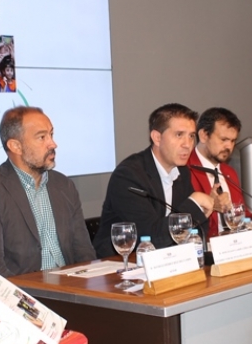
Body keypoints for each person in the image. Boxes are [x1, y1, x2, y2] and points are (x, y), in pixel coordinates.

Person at [0, 106, 96, 277]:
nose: (53, 144)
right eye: (42, 137)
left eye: (51, 135)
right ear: (15, 146)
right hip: (21, 294)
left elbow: (84, 252)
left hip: (68, 290)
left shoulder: (64, 185)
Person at [93, 103, 217, 258]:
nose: (188, 144)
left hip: (166, 260)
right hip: (120, 265)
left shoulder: (181, 171)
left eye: (191, 136)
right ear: (157, 138)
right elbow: (150, 236)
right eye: (179, 135)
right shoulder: (129, 175)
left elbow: (197, 228)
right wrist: (193, 203)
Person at [188, 107, 252, 238]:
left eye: (233, 141)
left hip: (235, 245)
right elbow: (182, 222)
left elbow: (238, 215)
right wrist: (209, 206)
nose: (229, 146)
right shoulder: (184, 170)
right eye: (223, 140)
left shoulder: (229, 172)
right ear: (204, 135)